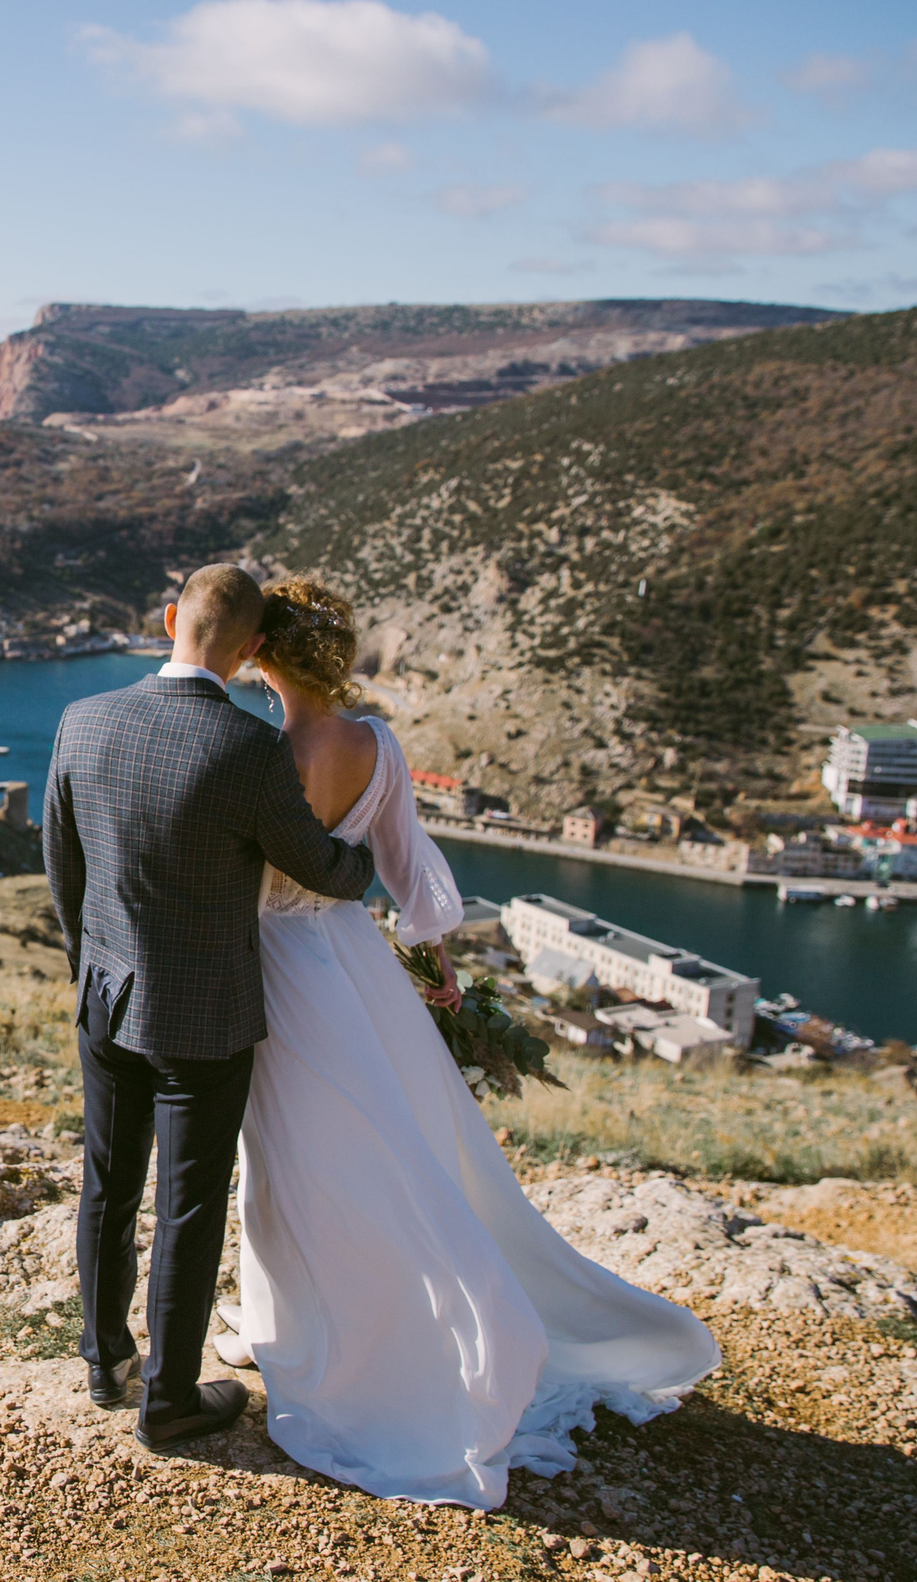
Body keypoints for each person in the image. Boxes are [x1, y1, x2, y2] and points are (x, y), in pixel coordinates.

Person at [216, 576, 719, 1507]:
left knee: (287, 1155)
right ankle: (309, 1315)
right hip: (353, 963)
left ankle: (325, 1329)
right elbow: (409, 865)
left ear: (260, 654)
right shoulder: (378, 745)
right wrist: (435, 967)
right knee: (394, 1148)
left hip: (276, 971)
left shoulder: (255, 751)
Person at [40, 564, 377, 1452]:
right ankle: (171, 1400)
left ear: (168, 620)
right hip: (206, 1019)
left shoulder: (83, 721)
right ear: (254, 649)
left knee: (108, 1185)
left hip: (106, 1000)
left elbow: (62, 873)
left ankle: (102, 1359)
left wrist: (91, 977)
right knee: (188, 1203)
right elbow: (320, 865)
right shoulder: (247, 751)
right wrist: (369, 851)